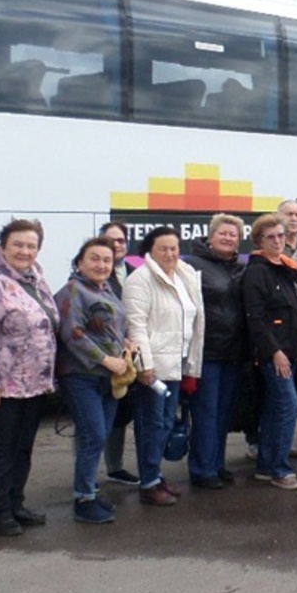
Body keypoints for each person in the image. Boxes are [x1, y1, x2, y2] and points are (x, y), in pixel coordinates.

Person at [0, 219, 58, 537]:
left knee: (21, 449)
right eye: (18, 244)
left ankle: (16, 503)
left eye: (31, 246)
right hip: (2, 388)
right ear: (3, 247)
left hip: (34, 386)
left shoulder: (36, 280)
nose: (25, 251)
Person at [124, 226, 203, 504]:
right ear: (150, 250)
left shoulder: (184, 275)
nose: (170, 253)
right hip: (153, 366)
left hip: (176, 362)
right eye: (163, 248)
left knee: (166, 422)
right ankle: (148, 483)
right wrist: (145, 366)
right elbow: (136, 326)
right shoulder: (140, 280)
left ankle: (156, 476)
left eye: (174, 248)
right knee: (151, 424)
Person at [54, 237, 130, 523]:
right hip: (81, 375)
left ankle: (90, 492)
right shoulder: (73, 291)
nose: (101, 265)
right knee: (93, 435)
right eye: (94, 259)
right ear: (79, 262)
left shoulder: (107, 290)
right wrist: (105, 359)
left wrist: (126, 342)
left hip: (109, 378)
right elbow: (72, 334)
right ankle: (83, 499)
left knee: (99, 436)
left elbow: (114, 327)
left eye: (107, 260)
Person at [240, 212, 297, 490]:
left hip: (290, 350)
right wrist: (274, 352)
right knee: (287, 406)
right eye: (271, 237)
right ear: (259, 241)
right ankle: (280, 468)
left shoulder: (286, 267)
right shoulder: (257, 272)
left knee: (274, 408)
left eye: (281, 235)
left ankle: (266, 465)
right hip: (274, 354)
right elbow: (255, 318)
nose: (278, 241)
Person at [185, 213, 249, 490]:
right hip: (207, 352)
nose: (227, 238)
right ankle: (202, 469)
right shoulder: (192, 265)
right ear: (210, 237)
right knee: (205, 413)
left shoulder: (240, 267)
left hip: (233, 352)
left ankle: (217, 463)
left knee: (223, 413)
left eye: (233, 235)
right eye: (222, 233)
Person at [98, 221, 140, 485]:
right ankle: (86, 477)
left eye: (121, 240)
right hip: (101, 357)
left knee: (120, 414)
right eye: (110, 240)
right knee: (92, 420)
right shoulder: (91, 273)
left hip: (129, 357)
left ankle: (115, 467)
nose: (117, 245)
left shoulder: (135, 273)